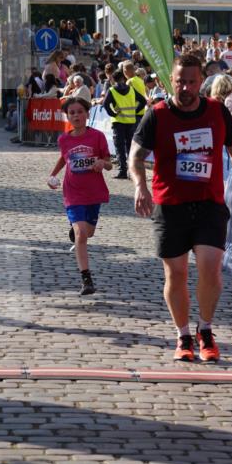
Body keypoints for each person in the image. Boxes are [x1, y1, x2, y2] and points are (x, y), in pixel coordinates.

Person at [130, 53, 232, 362]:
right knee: (175, 274)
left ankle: (205, 329)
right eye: (180, 82)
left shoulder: (216, 111)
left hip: (208, 204)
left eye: (191, 82)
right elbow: (136, 155)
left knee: (210, 270)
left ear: (201, 82)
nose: (185, 88)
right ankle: (183, 335)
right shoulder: (157, 114)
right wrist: (140, 185)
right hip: (170, 206)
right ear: (171, 81)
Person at [47, 96, 112, 296]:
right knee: (82, 233)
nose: (76, 116)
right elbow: (64, 158)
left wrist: (102, 163)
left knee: (88, 232)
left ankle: (76, 231)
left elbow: (109, 163)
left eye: (80, 112)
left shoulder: (98, 137)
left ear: (87, 114)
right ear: (67, 117)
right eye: (72, 113)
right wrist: (53, 174)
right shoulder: (64, 139)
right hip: (73, 192)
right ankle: (86, 279)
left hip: (93, 192)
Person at [103, 69, 145, 179]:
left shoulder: (112, 90)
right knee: (130, 147)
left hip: (118, 123)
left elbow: (105, 104)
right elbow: (143, 101)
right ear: (123, 78)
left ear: (113, 79)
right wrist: (135, 111)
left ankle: (122, 171)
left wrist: (113, 114)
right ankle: (132, 171)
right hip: (131, 122)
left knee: (119, 147)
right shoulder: (131, 89)